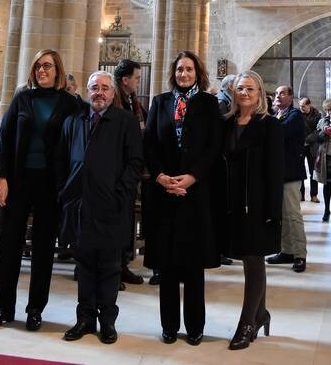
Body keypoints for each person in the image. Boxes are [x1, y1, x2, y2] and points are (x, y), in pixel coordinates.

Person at [0, 49, 79, 331]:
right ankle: (2, 307)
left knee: (43, 248)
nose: (42, 71)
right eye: (38, 66)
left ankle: (35, 308)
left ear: (57, 70)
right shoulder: (23, 97)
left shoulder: (70, 104)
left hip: (51, 185)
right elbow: (5, 138)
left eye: (47, 66)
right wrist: (0, 177)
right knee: (9, 245)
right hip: (18, 180)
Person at [58, 71, 143, 344]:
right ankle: (85, 319)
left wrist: (120, 193)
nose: (99, 93)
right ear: (87, 90)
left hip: (112, 206)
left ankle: (107, 321)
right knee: (83, 267)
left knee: (109, 268)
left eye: (105, 88)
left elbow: (135, 163)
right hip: (81, 206)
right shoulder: (74, 121)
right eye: (94, 88)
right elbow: (63, 160)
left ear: (112, 93)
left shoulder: (125, 121)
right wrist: (67, 195)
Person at [143, 51, 221, 346]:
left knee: (192, 264)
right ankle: (169, 325)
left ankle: (195, 325)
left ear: (197, 73)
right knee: (167, 263)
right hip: (164, 192)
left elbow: (213, 147)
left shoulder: (208, 103)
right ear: (173, 73)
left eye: (188, 69)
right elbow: (149, 142)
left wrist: (192, 176)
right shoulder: (160, 102)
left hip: (194, 193)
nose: (183, 74)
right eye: (179, 69)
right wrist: (160, 175)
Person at [219, 70, 283, 350]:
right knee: (249, 260)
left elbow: (275, 170)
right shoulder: (227, 123)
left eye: (250, 89)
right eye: (240, 88)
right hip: (233, 202)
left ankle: (246, 323)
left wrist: (273, 209)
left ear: (260, 94)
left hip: (257, 204)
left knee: (254, 261)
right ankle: (261, 314)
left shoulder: (269, 125)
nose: (244, 93)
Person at [113, 58, 147, 286]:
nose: (138, 82)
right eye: (136, 78)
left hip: (129, 171)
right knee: (115, 224)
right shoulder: (115, 101)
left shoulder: (131, 100)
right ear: (125, 80)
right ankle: (113, 270)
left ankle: (122, 265)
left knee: (126, 222)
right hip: (116, 171)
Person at [265, 86, 307, 272]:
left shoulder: (295, 115)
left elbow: (279, 132)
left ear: (291, 98)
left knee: (293, 215)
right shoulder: (276, 116)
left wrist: (265, 118)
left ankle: (299, 254)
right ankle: (287, 251)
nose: (278, 96)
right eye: (276, 93)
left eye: (282, 93)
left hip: (291, 172)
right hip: (277, 173)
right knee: (282, 215)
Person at [299, 97, 320, 202]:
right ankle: (301, 194)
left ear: (309, 105)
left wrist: (307, 140)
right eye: (300, 106)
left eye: (303, 106)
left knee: (313, 171)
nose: (301, 108)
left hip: (312, 146)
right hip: (300, 146)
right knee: (300, 170)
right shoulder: (298, 114)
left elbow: (317, 131)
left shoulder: (317, 115)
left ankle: (314, 195)